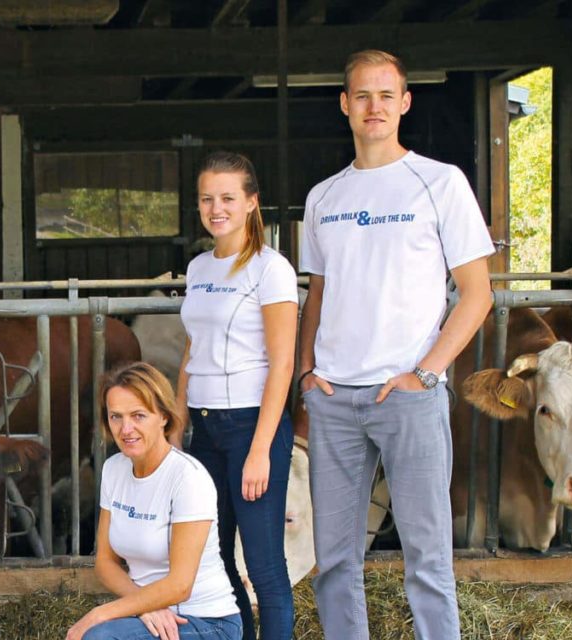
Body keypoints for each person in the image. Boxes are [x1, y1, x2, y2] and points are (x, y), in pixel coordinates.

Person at [299, 50, 494, 640]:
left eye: (386, 95)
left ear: (405, 103)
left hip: (408, 393)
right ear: (345, 105)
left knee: (428, 560)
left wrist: (427, 373)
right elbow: (317, 293)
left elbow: (477, 293)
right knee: (333, 560)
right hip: (334, 397)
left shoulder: (439, 182)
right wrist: (307, 371)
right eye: (362, 95)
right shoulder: (323, 197)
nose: (374, 106)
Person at [173, 150, 298, 639]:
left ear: (251, 203)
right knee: (216, 555)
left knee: (264, 566)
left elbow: (282, 362)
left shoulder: (271, 269)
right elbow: (192, 349)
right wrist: (179, 422)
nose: (215, 207)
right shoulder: (199, 268)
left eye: (227, 197)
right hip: (204, 429)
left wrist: (261, 450)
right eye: (207, 198)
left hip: (251, 425)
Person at [66, 362, 241, 640]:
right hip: (152, 615)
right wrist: (144, 606)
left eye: (138, 415)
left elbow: (181, 586)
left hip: (205, 621)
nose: (126, 429)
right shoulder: (114, 469)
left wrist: (100, 613)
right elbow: (104, 562)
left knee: (100, 636)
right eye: (116, 417)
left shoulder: (187, 478)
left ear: (163, 416)